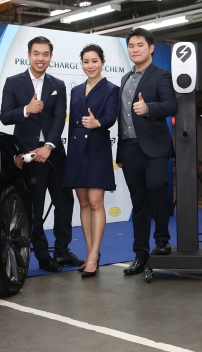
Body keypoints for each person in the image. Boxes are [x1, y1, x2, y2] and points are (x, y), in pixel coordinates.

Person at [0, 36, 83, 272]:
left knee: (64, 203)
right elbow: (5, 116)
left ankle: (62, 252)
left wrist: (49, 146)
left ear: (50, 57)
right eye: (36, 53)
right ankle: (43, 255)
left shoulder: (58, 84)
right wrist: (26, 109)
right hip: (28, 156)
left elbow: (59, 118)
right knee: (35, 207)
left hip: (54, 154)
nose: (40, 58)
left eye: (45, 54)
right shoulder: (13, 82)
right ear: (28, 55)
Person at [116, 28, 178, 276]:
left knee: (157, 185)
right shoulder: (124, 79)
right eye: (131, 46)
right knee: (138, 202)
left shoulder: (161, 75)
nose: (135, 49)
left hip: (155, 147)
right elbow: (122, 118)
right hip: (129, 149)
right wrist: (120, 153)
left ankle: (162, 239)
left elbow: (171, 105)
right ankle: (140, 255)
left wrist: (148, 108)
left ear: (151, 48)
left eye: (140, 45)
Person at [62, 44, 119, 278]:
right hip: (77, 150)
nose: (90, 65)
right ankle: (89, 253)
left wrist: (98, 123)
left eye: (94, 61)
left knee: (96, 202)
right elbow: (71, 126)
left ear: (102, 62)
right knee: (83, 202)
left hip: (97, 148)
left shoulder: (111, 89)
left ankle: (94, 255)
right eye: (86, 61)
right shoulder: (75, 90)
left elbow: (111, 117)